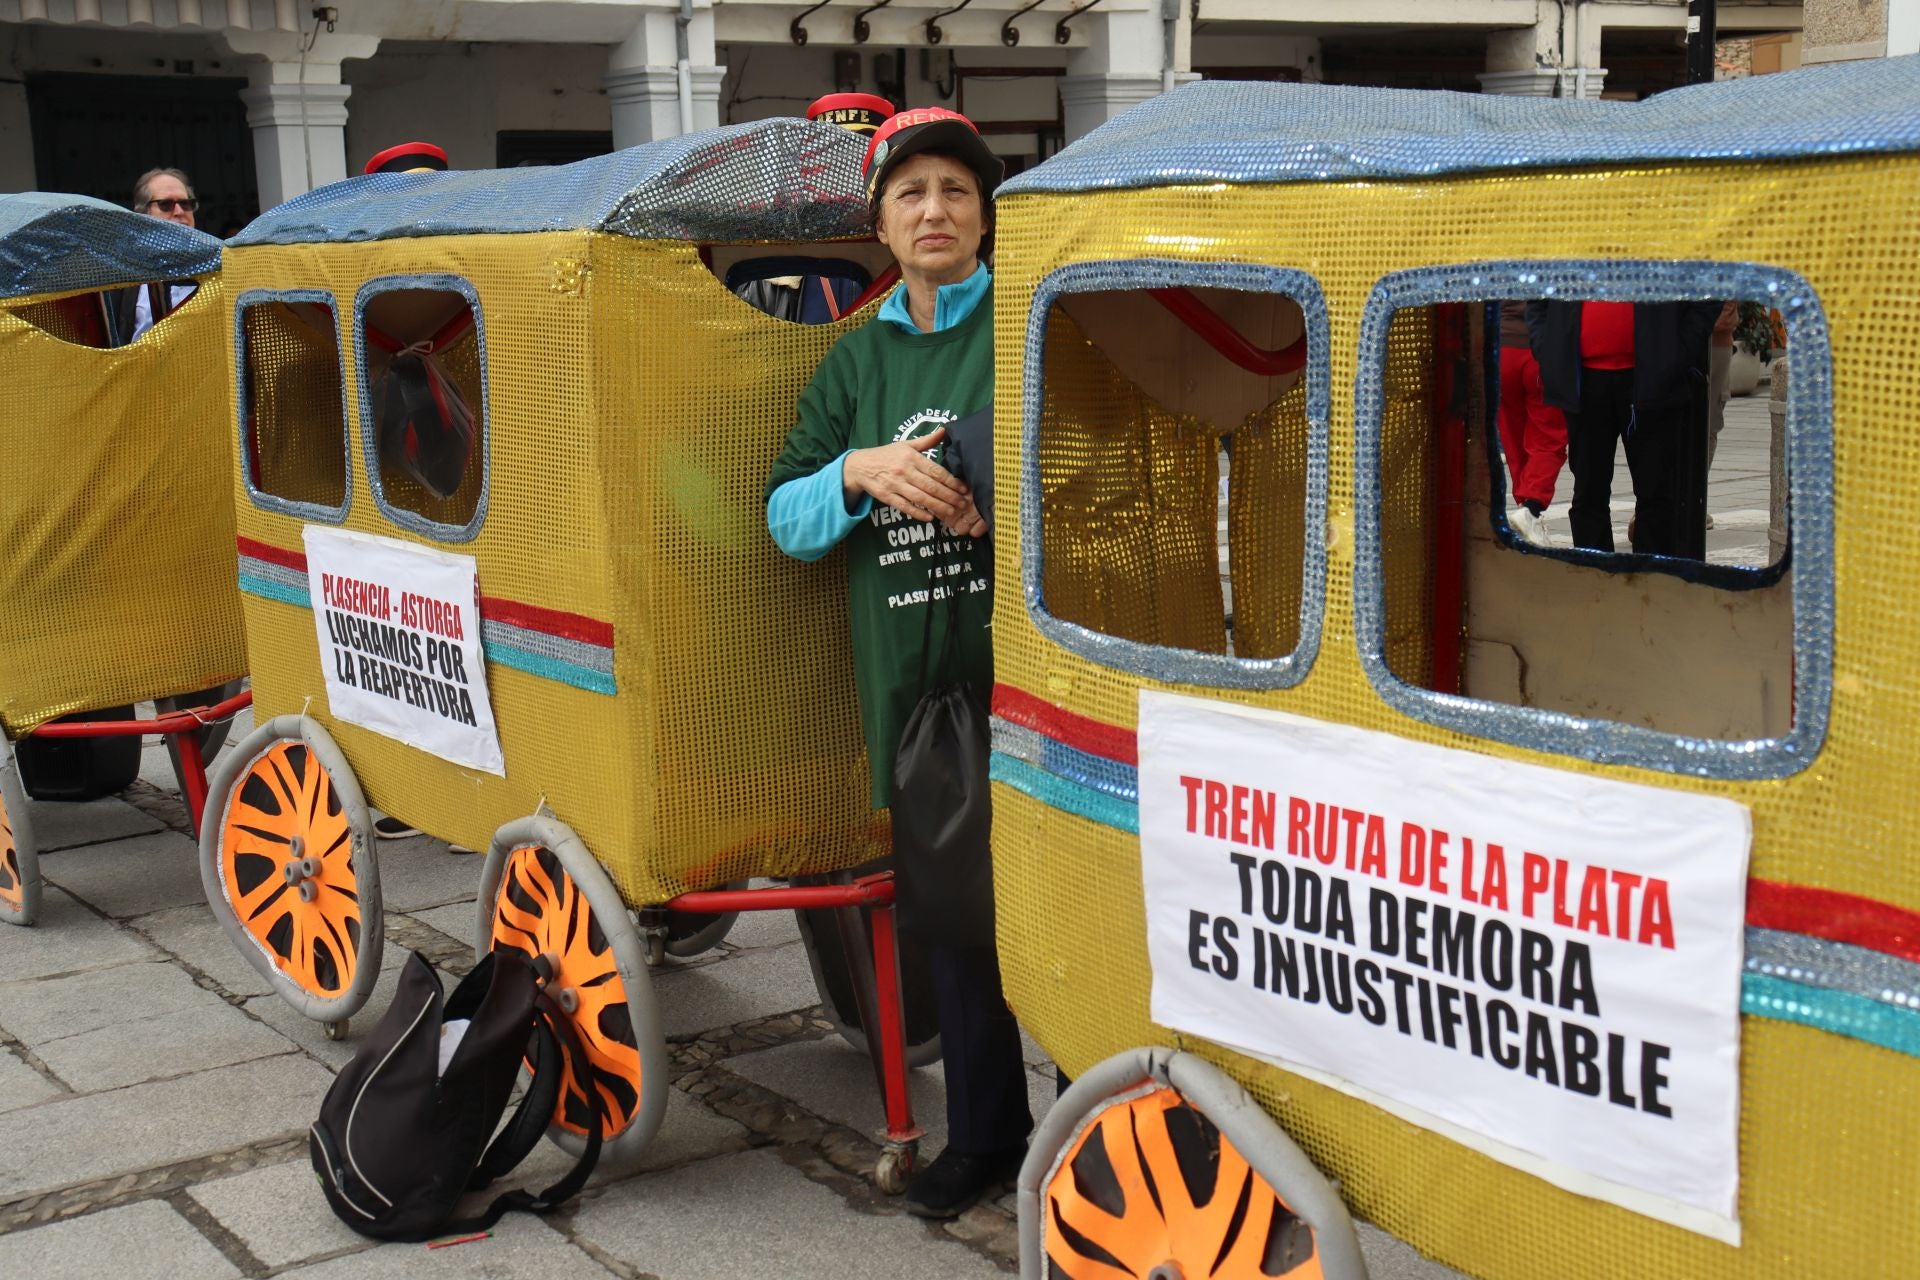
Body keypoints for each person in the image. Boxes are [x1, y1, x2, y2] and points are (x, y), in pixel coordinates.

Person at [764, 106, 1030, 1220]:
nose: (934, 210)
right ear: (880, 222)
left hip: (1037, 678)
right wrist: (862, 470)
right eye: (911, 193)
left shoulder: (1029, 321)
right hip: (920, 699)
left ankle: (1097, 1126)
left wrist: (986, 462)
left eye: (956, 191)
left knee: (1069, 912)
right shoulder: (854, 357)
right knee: (959, 922)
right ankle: (984, 1137)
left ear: (984, 217)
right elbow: (782, 514)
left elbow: (1097, 457)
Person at [1526, 298, 1718, 557]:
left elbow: (1708, 295)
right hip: (1584, 383)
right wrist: (1548, 348)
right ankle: (1595, 579)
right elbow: (1538, 297)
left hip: (1650, 380)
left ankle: (1650, 580)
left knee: (1656, 494)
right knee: (1587, 493)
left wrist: (1678, 353)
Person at [1495, 300, 1566, 546]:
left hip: (1502, 351)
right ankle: (1531, 509)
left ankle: (1525, 512)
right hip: (1538, 351)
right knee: (1548, 436)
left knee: (1513, 440)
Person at [104, 168, 201, 345]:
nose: (179, 211)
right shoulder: (120, 276)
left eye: (186, 204)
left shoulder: (220, 267)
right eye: (165, 204)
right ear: (143, 214)